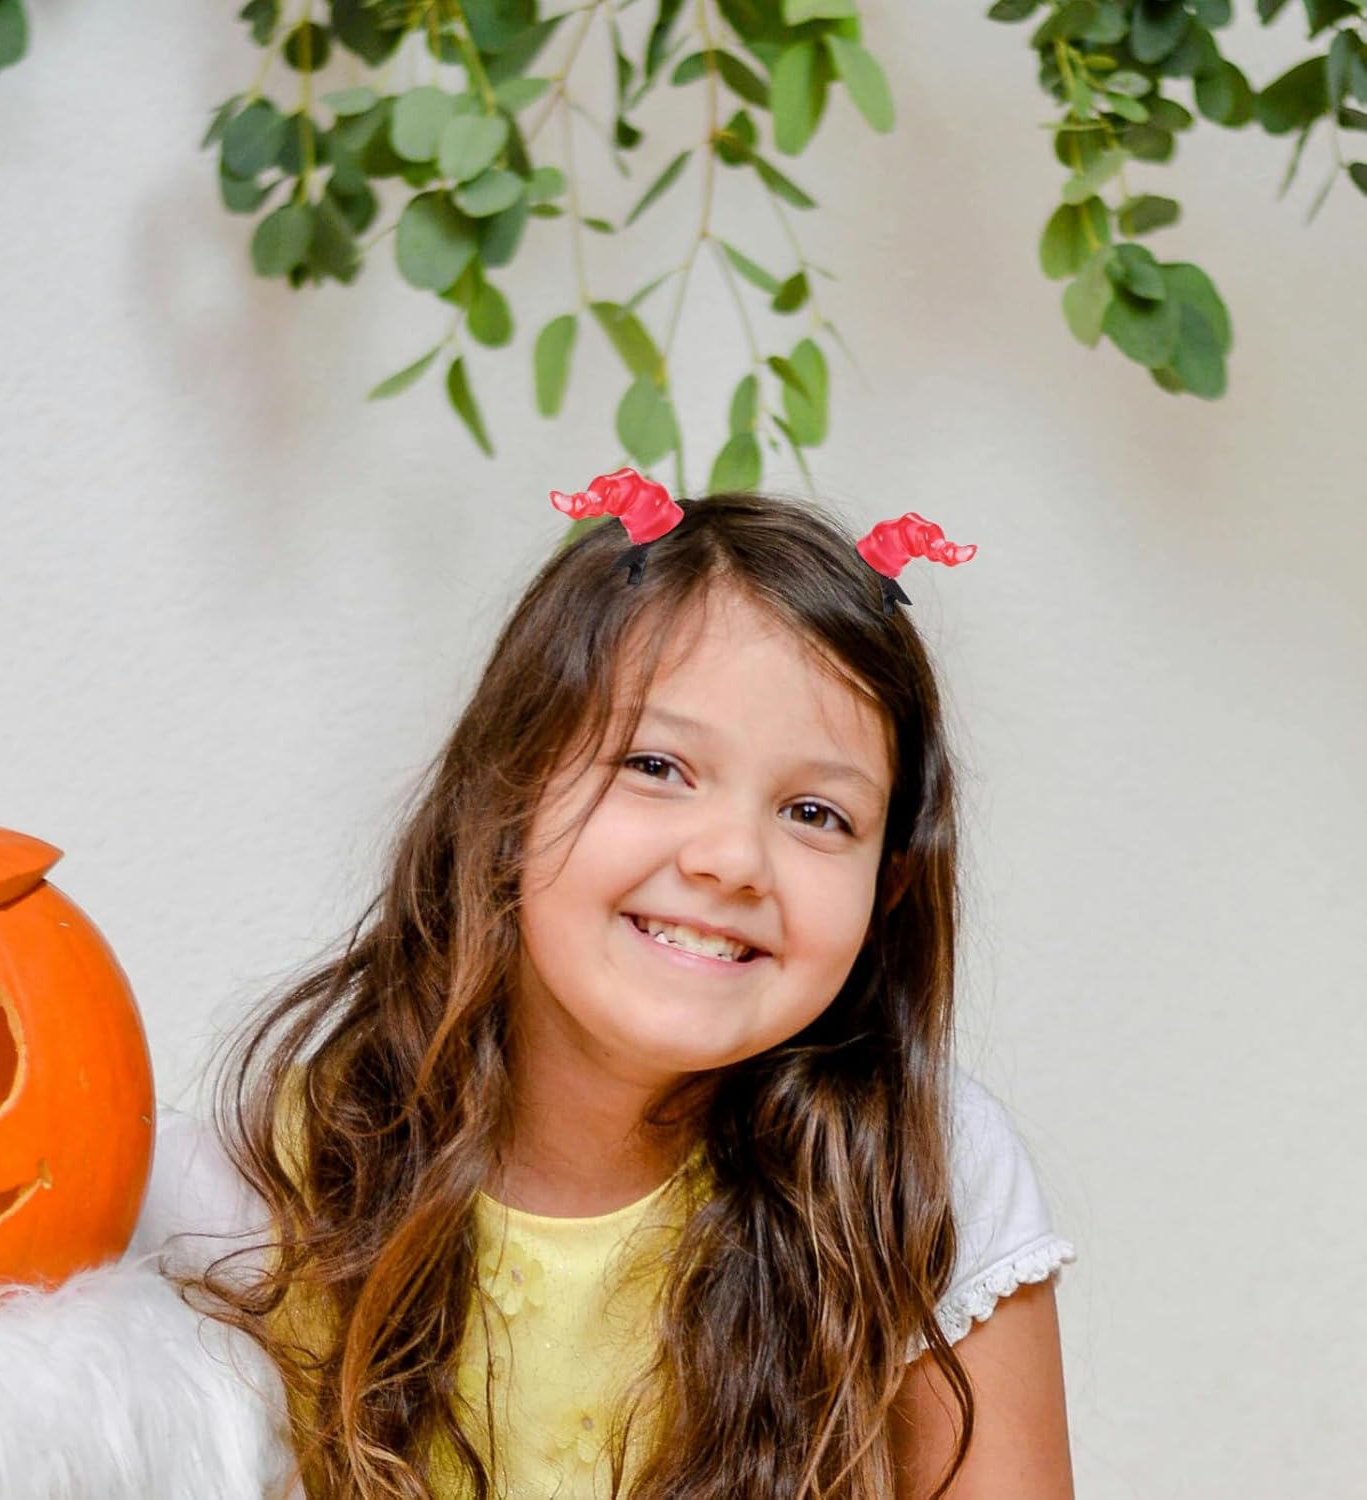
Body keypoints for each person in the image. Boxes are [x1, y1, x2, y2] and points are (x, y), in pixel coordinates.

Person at [144, 481, 1077, 1500]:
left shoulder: (927, 1172)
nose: (731, 859)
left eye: (816, 813)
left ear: (887, 887)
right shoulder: (273, 1175)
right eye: (656, 765)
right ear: (508, 793)